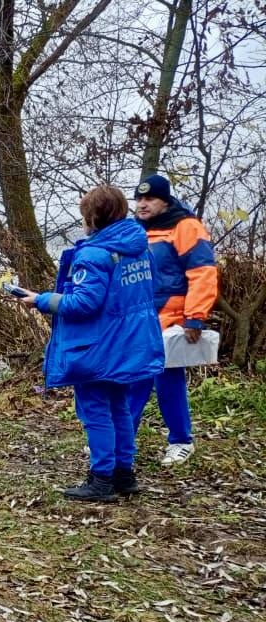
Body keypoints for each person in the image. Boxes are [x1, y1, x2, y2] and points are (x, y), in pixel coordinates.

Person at [16, 185, 164, 502]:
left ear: (93, 218)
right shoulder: (139, 248)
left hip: (98, 347)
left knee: (95, 411)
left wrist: (40, 300)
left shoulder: (94, 254)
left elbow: (83, 303)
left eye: (84, 215)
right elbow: (149, 291)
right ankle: (124, 475)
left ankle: (101, 480)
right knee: (119, 407)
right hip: (128, 344)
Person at [127, 174, 219, 465]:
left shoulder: (186, 226)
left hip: (171, 319)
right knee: (133, 380)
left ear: (165, 201)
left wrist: (195, 317)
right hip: (140, 318)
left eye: (149, 198)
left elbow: (202, 273)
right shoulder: (135, 230)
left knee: (168, 381)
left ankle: (181, 441)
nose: (143, 204)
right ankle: (121, 441)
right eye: (139, 199)